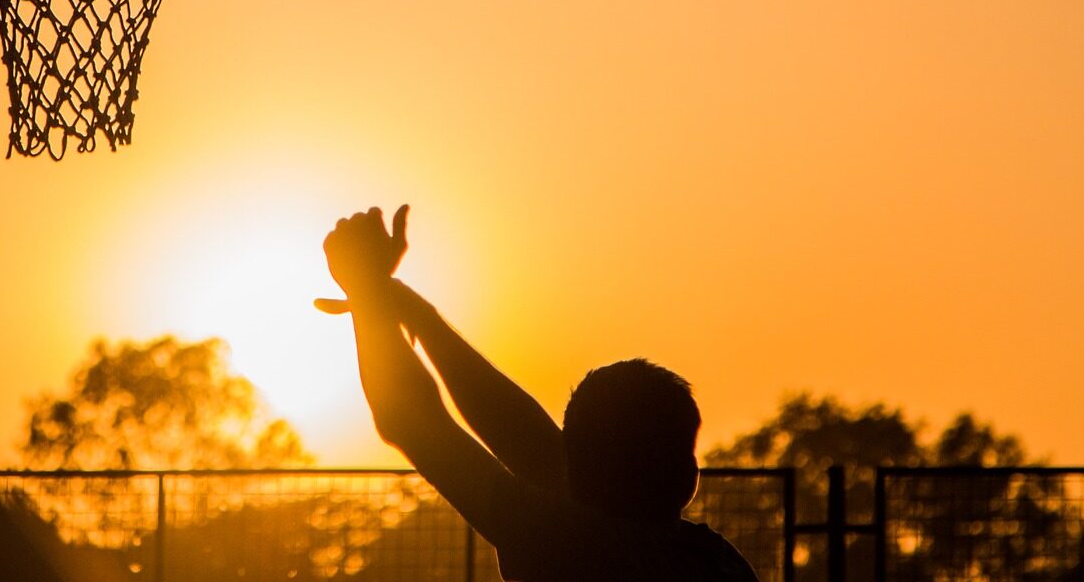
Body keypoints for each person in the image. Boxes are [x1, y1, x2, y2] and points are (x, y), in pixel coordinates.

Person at [317, 205, 760, 582]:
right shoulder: (716, 561)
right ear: (689, 475)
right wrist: (405, 306)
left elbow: (413, 423)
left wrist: (367, 288)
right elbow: (527, 443)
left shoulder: (575, 548)